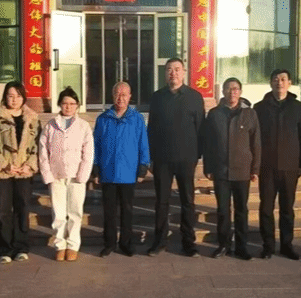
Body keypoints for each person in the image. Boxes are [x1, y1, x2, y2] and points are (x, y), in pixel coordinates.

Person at [147, 58, 205, 257]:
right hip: (162, 159)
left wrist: (197, 156)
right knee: (161, 201)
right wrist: (151, 156)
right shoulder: (157, 97)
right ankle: (159, 241)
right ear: (165, 73)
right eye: (169, 70)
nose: (173, 73)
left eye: (177, 69)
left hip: (186, 158)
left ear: (184, 72)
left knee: (187, 201)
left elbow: (200, 128)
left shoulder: (194, 97)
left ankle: (188, 242)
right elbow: (152, 129)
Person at [203, 78, 260, 261]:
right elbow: (208, 143)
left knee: (241, 210)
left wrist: (255, 168)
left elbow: (256, 142)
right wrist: (208, 166)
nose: (232, 92)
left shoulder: (249, 114)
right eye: (228, 89)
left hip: (242, 170)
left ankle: (242, 247)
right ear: (223, 92)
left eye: (235, 89)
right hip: (221, 170)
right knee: (223, 210)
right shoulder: (214, 114)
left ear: (240, 92)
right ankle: (223, 245)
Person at [0, 81, 41, 264]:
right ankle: (4, 250)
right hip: (3, 173)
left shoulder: (33, 118)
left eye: (18, 96)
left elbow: (37, 145)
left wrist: (30, 165)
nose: (14, 100)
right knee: (3, 211)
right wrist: (3, 164)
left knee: (22, 210)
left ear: (24, 97)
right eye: (10, 96)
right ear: (5, 97)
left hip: (23, 172)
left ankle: (21, 247)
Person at [254, 69, 301, 261]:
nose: (279, 82)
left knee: (287, 209)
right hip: (267, 167)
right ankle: (267, 246)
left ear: (289, 83)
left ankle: (287, 245)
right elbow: (255, 139)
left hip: (290, 168)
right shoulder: (259, 108)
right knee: (266, 209)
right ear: (270, 83)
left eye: (283, 79)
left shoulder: (298, 108)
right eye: (275, 79)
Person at [93, 82, 150, 258]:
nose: (120, 98)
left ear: (130, 96)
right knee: (109, 211)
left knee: (127, 210)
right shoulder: (103, 119)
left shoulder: (137, 119)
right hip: (108, 171)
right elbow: (96, 146)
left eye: (124, 94)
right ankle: (109, 243)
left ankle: (126, 243)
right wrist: (96, 169)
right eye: (117, 94)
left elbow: (143, 144)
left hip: (128, 171)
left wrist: (143, 167)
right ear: (112, 96)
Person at [38, 87, 94, 262]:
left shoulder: (83, 126)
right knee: (59, 213)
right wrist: (47, 174)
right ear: (60, 105)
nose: (68, 107)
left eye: (72, 103)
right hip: (56, 176)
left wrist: (83, 174)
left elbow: (88, 152)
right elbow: (43, 151)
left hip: (76, 176)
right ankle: (60, 245)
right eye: (65, 103)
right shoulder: (51, 125)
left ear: (77, 105)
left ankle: (73, 245)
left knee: (75, 212)